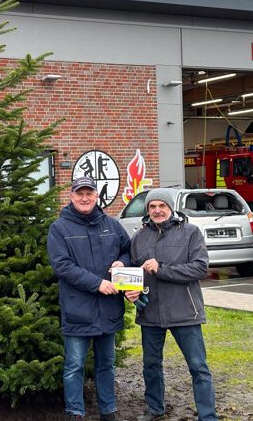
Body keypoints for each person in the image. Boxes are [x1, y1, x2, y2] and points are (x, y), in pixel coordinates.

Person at [47, 176, 140, 421]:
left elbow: (128, 250)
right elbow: (62, 266)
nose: (85, 198)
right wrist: (97, 283)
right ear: (71, 196)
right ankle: (75, 412)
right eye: (80, 194)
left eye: (89, 193)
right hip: (78, 310)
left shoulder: (111, 224)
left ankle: (108, 411)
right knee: (74, 366)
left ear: (96, 196)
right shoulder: (60, 228)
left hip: (108, 310)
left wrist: (124, 262)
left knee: (106, 365)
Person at [130, 189, 217, 421]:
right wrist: (132, 292)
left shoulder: (190, 233)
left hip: (185, 311)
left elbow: (199, 268)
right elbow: (132, 272)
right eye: (152, 207)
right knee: (150, 365)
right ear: (148, 211)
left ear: (170, 208)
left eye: (162, 206)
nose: (157, 210)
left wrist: (162, 268)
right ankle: (154, 409)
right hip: (150, 312)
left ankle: (208, 416)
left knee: (198, 367)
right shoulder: (139, 237)